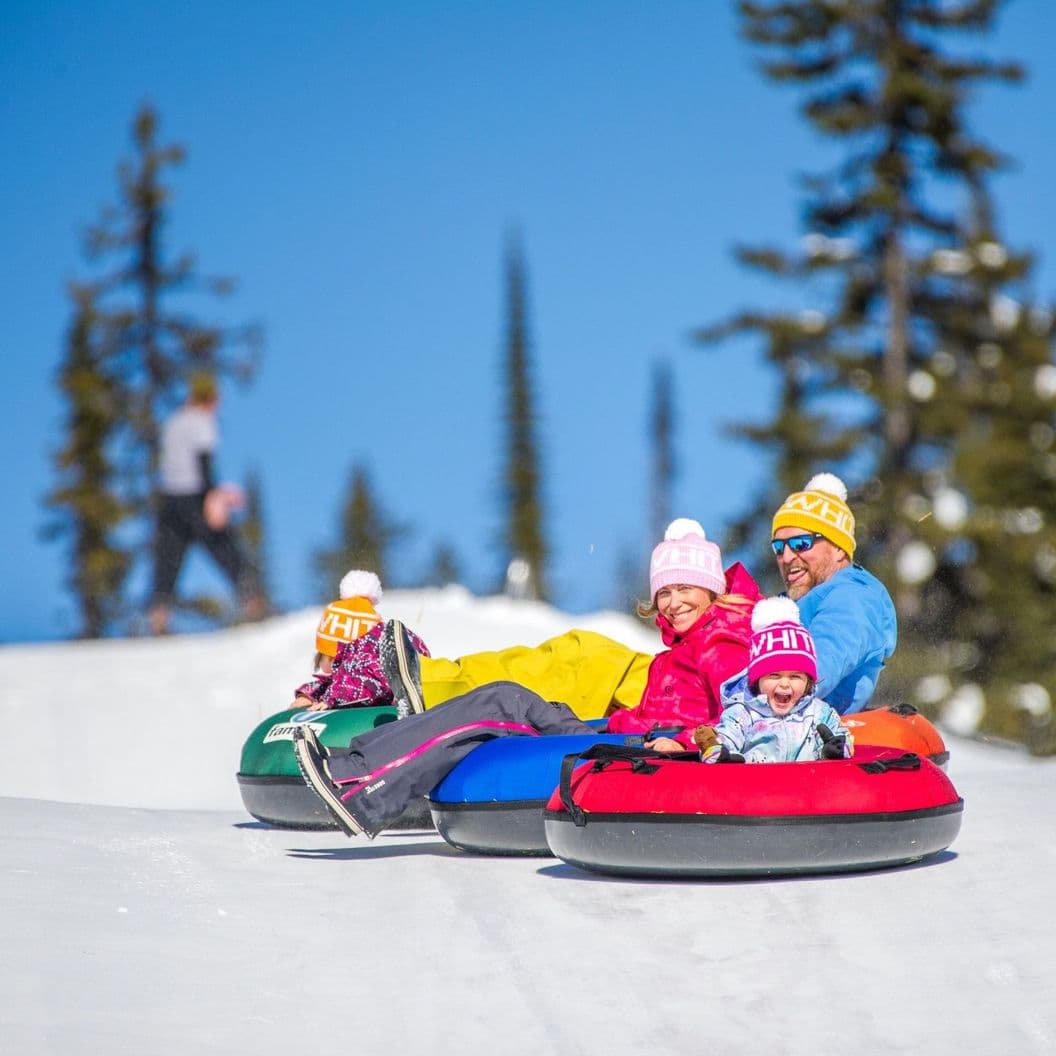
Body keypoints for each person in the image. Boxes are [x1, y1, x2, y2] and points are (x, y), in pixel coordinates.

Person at [292, 518, 761, 838]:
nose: (672, 602)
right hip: (617, 733)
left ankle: (358, 784)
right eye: (664, 591)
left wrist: (683, 742)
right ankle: (361, 773)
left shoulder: (724, 641)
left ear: (713, 590)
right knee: (503, 702)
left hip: (643, 753)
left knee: (503, 703)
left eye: (685, 589)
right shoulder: (685, 645)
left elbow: (742, 715)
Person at [768, 472, 897, 714]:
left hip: (810, 736)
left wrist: (757, 702)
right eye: (778, 547)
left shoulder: (851, 597)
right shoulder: (785, 605)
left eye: (800, 544)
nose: (786, 557)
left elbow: (824, 659)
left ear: (838, 548)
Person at [148, 373, 263, 635]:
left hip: (168, 498)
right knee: (224, 548)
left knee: (168, 558)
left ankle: (159, 615)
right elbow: (204, 464)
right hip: (195, 495)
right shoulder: (202, 422)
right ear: (210, 398)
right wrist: (214, 496)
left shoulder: (173, 422)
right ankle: (252, 603)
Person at [694, 596, 852, 763]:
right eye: (774, 675)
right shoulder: (743, 713)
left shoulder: (819, 712)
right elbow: (726, 737)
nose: (784, 683)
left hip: (809, 783)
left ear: (808, 682)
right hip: (757, 785)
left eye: (795, 676)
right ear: (757, 680)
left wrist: (838, 748)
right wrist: (718, 752)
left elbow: (843, 737)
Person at [293, 570, 430, 717]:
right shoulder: (346, 678)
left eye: (324, 656)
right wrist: (308, 695)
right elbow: (333, 683)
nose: (323, 669)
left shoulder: (368, 667)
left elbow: (366, 681)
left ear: (337, 654)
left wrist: (332, 699)